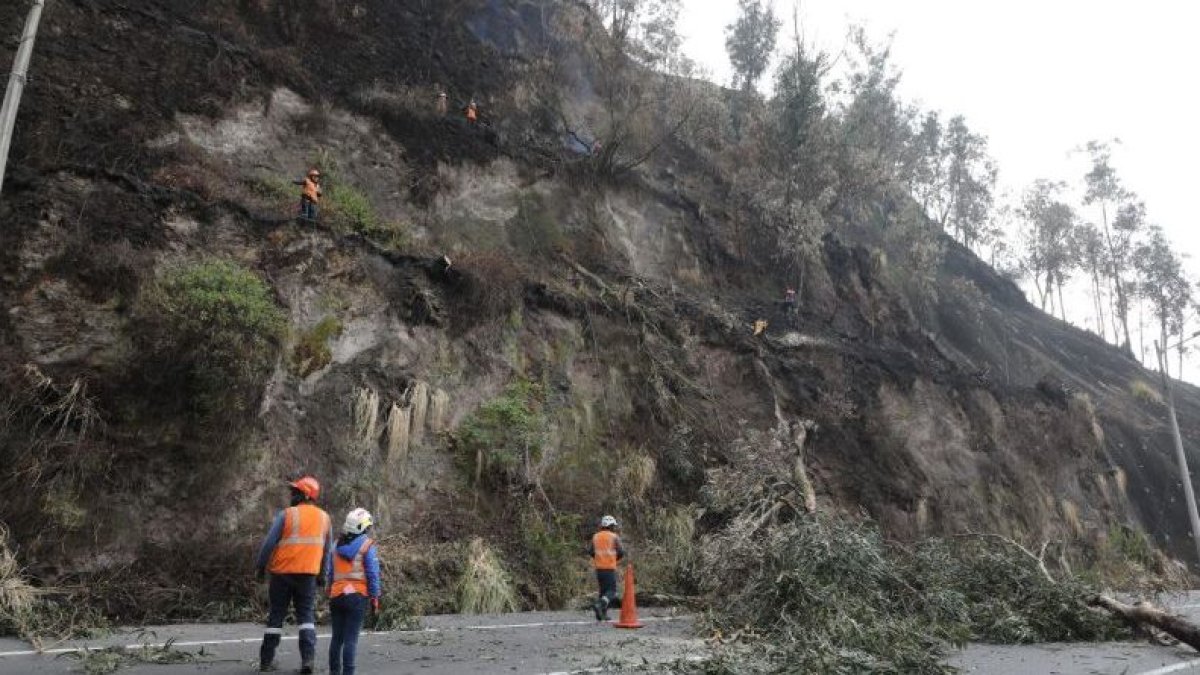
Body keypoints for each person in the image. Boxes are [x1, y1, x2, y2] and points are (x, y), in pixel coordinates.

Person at [256, 476, 334, 674]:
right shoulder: (325, 518)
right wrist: (323, 576)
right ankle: (308, 660)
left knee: (276, 616)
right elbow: (327, 552)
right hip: (307, 576)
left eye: (295, 491)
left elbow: (268, 544)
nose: (292, 495)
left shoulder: (287, 515)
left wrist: (260, 567)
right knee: (306, 618)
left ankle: (266, 661)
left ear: (304, 494)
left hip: (281, 574)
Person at [328, 508, 382, 675]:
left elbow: (330, 572)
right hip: (357, 597)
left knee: (337, 638)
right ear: (362, 527)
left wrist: (329, 590)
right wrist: (375, 597)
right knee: (351, 640)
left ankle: (334, 672)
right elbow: (373, 574)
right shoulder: (367, 545)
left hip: (336, 595)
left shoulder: (336, 545)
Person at [588, 515, 625, 621]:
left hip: (599, 568)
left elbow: (590, 551)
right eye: (613, 526)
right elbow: (621, 552)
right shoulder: (614, 537)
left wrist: (599, 558)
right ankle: (599, 605)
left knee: (603, 591)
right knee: (611, 591)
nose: (614, 528)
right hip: (609, 567)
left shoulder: (595, 536)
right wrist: (614, 559)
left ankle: (601, 614)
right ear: (611, 525)